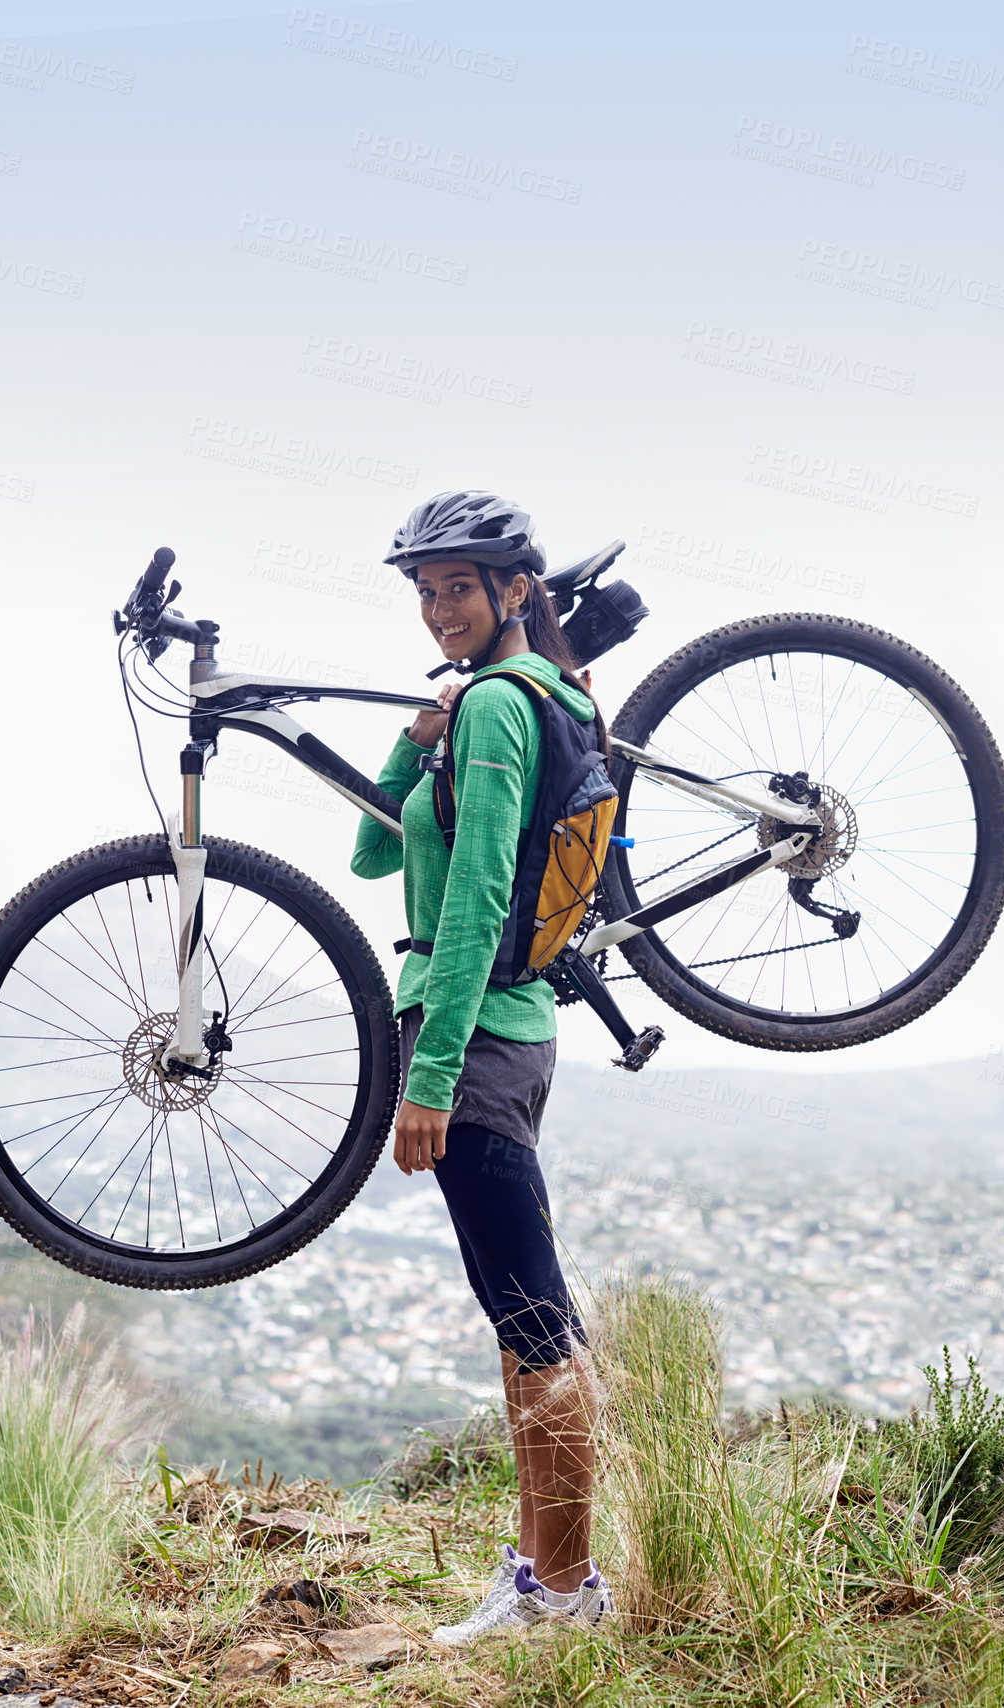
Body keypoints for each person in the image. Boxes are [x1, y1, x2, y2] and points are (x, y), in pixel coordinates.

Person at [350, 491, 615, 1643]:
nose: (438, 607)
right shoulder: (474, 708)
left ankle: (566, 1595)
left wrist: (432, 1075)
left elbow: (475, 899)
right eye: (424, 588)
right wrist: (416, 737)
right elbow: (373, 849)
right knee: (519, 1332)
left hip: (481, 1040)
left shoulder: (505, 707)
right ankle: (540, 1577)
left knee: (536, 1324)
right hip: (487, 1032)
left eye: (459, 585)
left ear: (514, 592)